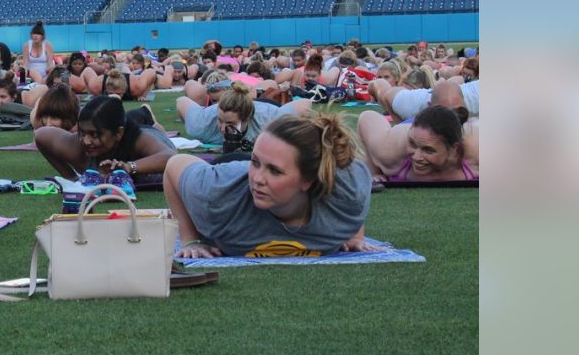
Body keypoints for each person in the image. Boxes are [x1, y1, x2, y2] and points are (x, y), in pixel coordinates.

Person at [163, 112, 378, 258]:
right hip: (231, 171)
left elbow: (354, 188)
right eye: (256, 164)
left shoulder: (347, 192)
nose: (257, 178)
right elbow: (175, 164)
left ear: (308, 180)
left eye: (274, 171)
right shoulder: (216, 194)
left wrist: (354, 235)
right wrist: (190, 240)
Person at [34, 95, 177, 189]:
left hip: (149, 131)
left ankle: (147, 112)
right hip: (117, 126)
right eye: (82, 133)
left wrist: (128, 167)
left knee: (140, 117)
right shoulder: (78, 146)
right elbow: (40, 136)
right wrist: (71, 177)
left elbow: (171, 157)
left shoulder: (139, 139)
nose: (86, 141)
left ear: (119, 133)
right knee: (126, 117)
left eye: (94, 135)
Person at [357, 105, 479, 183]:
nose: (416, 157)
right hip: (409, 131)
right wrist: (373, 172)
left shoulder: (478, 150)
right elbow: (367, 117)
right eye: (413, 145)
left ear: (454, 150)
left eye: (428, 150)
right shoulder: (389, 148)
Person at [177, 82, 310, 151]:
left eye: (230, 124)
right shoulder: (202, 124)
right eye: (220, 121)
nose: (223, 129)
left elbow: (305, 104)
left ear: (246, 119)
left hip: (264, 105)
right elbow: (181, 101)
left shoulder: (271, 121)